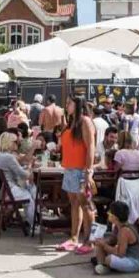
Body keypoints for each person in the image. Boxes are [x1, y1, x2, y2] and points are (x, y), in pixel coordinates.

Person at [57, 95, 96, 255]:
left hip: (80, 169)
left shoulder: (85, 122)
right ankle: (74, 238)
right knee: (74, 203)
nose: (66, 105)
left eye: (69, 103)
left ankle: (89, 240)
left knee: (85, 204)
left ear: (77, 105)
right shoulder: (71, 123)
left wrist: (88, 170)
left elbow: (91, 146)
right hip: (70, 168)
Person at [0, 131, 36, 227]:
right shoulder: (8, 157)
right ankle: (33, 224)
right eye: (15, 141)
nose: (18, 143)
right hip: (7, 192)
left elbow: (16, 170)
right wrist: (30, 170)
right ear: (9, 143)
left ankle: (31, 220)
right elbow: (22, 174)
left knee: (29, 190)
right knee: (30, 196)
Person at [92, 200, 139, 275]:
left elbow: (120, 254)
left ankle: (105, 265)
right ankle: (102, 265)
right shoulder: (118, 226)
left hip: (133, 261)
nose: (108, 214)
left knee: (109, 259)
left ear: (115, 217)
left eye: (109, 213)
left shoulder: (124, 231)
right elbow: (113, 238)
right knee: (99, 244)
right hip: (124, 256)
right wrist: (104, 241)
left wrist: (104, 245)